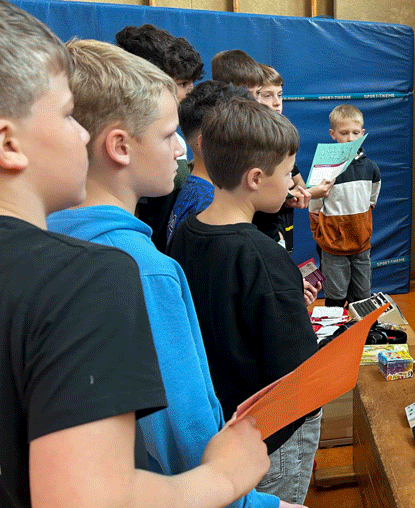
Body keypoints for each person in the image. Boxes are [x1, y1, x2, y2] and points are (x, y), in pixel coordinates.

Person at [0, 2, 267, 507]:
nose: (81, 134)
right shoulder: (104, 274)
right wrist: (234, 484)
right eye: (65, 116)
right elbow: (178, 441)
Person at [46, 39, 295, 508]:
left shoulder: (45, 239)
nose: (181, 148)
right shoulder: (145, 271)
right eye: (167, 135)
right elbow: (186, 436)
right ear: (120, 146)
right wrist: (254, 502)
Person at [167, 98, 322, 505]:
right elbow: (300, 379)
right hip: (269, 438)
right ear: (255, 178)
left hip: (220, 426)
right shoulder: (264, 259)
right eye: (288, 174)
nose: (292, 184)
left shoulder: (185, 233)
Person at [116, 23, 204, 252]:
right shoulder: (135, 146)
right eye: (182, 84)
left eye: (192, 83)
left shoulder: (177, 139)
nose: (190, 92)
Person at [310, 104, 381, 307]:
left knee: (363, 296)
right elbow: (314, 206)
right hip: (333, 245)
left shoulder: (371, 169)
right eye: (344, 133)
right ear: (333, 134)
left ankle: (363, 335)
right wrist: (322, 233)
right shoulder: (325, 169)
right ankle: (335, 336)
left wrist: (362, 225)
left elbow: (371, 200)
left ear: (362, 133)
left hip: (361, 243)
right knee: (336, 296)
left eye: (355, 133)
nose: (350, 138)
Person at [167, 80, 252, 244]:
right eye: (239, 132)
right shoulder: (210, 205)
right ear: (206, 142)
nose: (249, 141)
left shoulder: (198, 190)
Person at [251, 63, 316, 254]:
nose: (277, 102)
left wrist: (290, 198)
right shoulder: (247, 141)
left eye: (279, 95)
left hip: (280, 226)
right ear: (252, 97)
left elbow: (298, 184)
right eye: (267, 95)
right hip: (259, 232)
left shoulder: (281, 137)